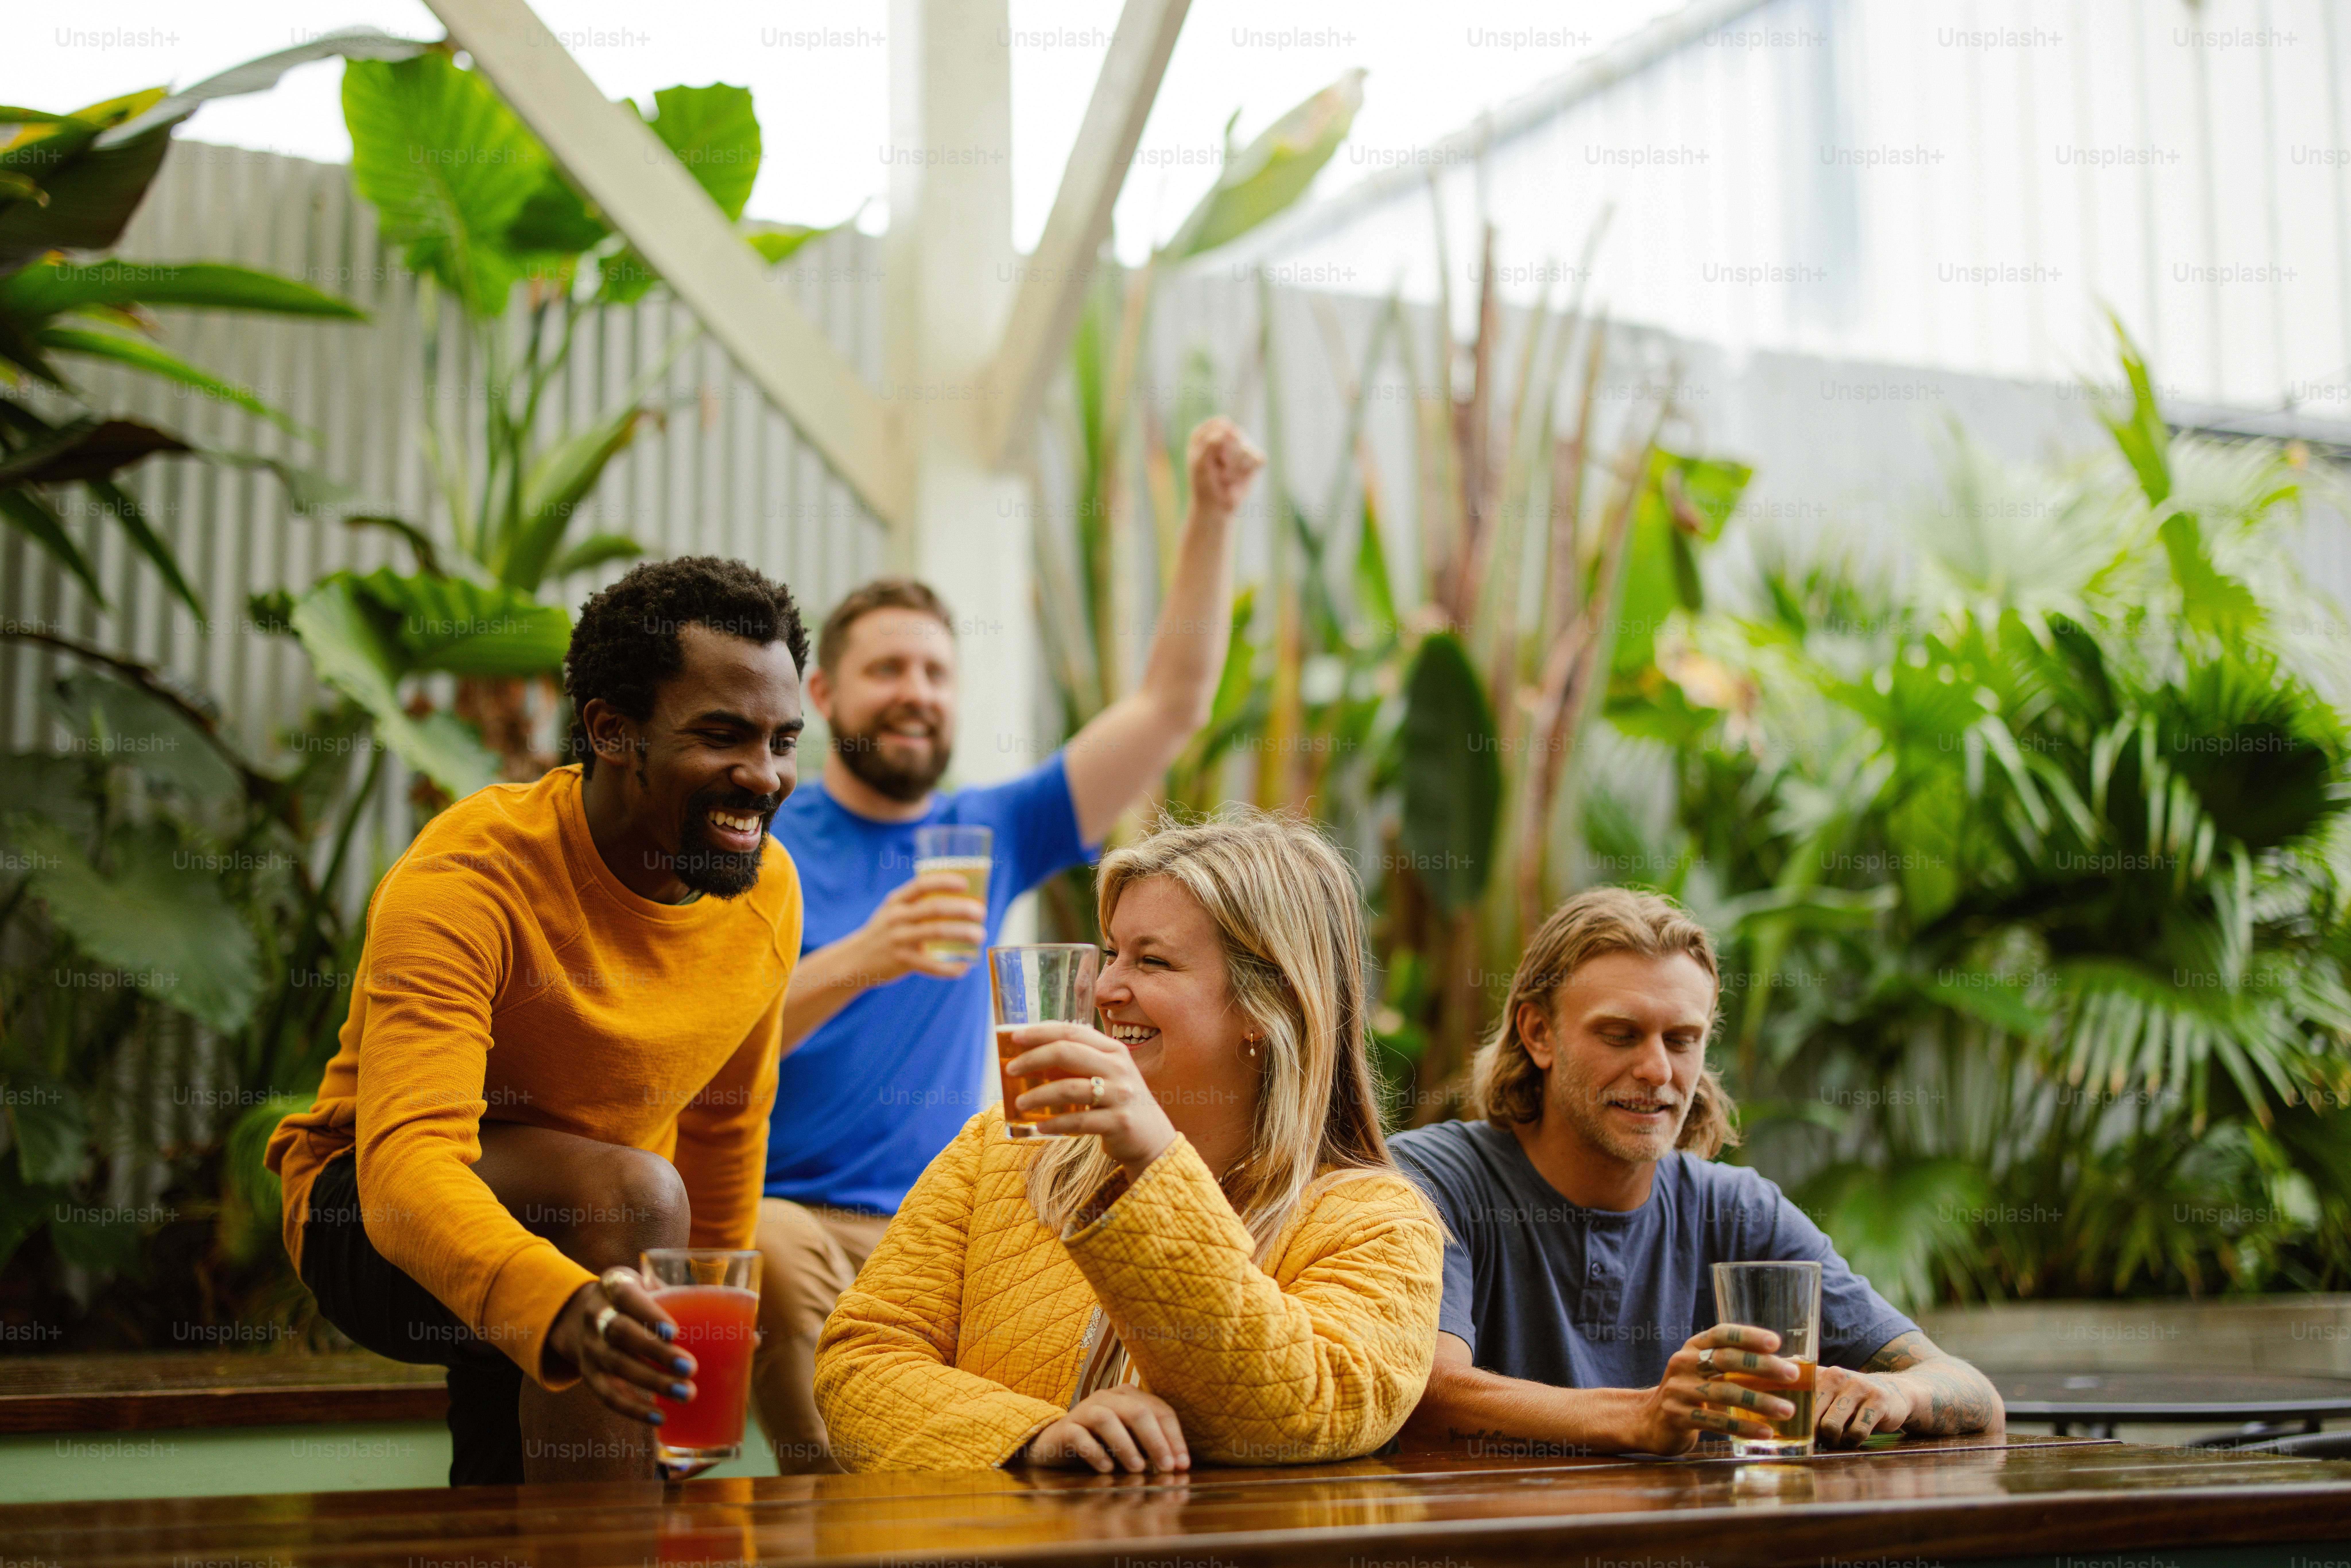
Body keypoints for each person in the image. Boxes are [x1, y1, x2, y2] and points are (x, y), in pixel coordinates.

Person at [753, 417, 1265, 1470]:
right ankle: (825, 1517)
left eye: (938, 673)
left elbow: (1172, 705)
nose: (917, 692)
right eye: (888, 667)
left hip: (961, 1223)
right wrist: (866, 955)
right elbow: (708, 1045)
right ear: (822, 695)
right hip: (800, 1217)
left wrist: (1213, 517)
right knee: (766, 1254)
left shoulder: (994, 827)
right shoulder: (764, 844)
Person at [265, 557, 810, 1485]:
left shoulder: (765, 892)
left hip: (586, 1238)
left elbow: (724, 1126)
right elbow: (409, 1165)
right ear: (612, 730)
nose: (763, 776)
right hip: (371, 1214)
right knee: (629, 1198)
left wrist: (700, 1371)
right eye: (723, 736)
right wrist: (563, 1308)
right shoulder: (470, 871)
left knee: (506, 1487)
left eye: (782, 740)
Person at [812, 811, 1444, 1473]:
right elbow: (858, 1363)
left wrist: (1154, 1163)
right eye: (1111, 951)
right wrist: (1037, 1436)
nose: (1107, 989)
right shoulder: (998, 1149)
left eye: (1152, 960)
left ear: (1272, 1001)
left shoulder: (1378, 1224)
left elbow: (1301, 1412)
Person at [1390, 887, 2000, 1455]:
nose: (1657, 1069)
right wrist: (1641, 1415)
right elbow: (1421, 1390)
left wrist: (1898, 1393)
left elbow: (1971, 1391)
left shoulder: (1738, 1210)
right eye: (1620, 1034)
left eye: (1682, 1039)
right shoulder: (1437, 1178)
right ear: (1538, 1032)